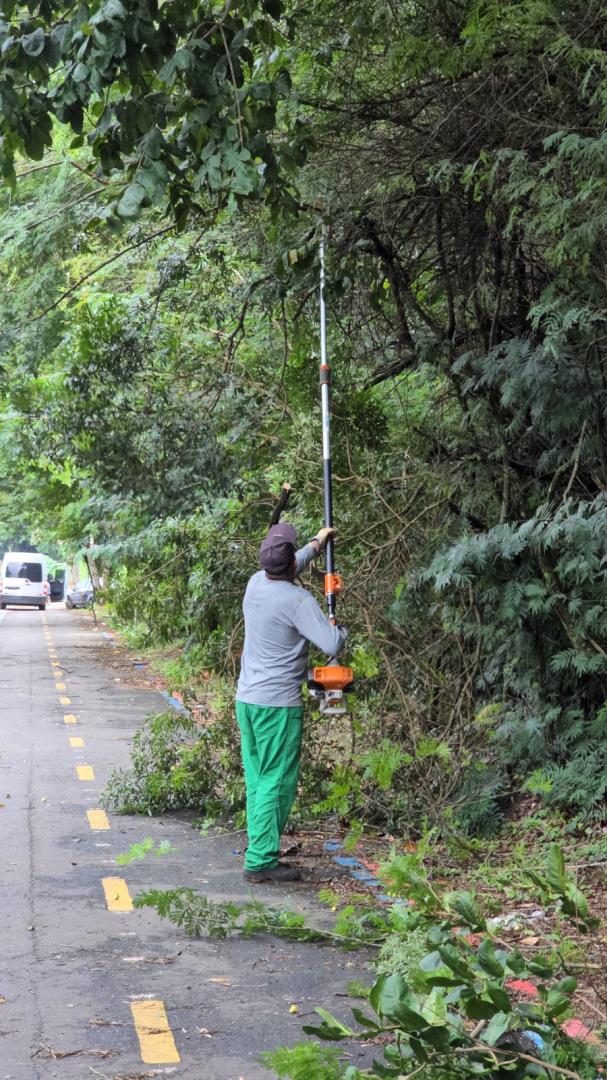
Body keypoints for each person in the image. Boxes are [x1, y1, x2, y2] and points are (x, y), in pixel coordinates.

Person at [236, 523, 347, 883]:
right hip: (276, 707)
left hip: (248, 700)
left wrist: (318, 543)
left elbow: (290, 565)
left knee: (257, 778)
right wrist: (337, 626)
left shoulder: (256, 584)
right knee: (275, 780)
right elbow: (331, 645)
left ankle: (259, 846)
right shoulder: (298, 601)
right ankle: (260, 860)